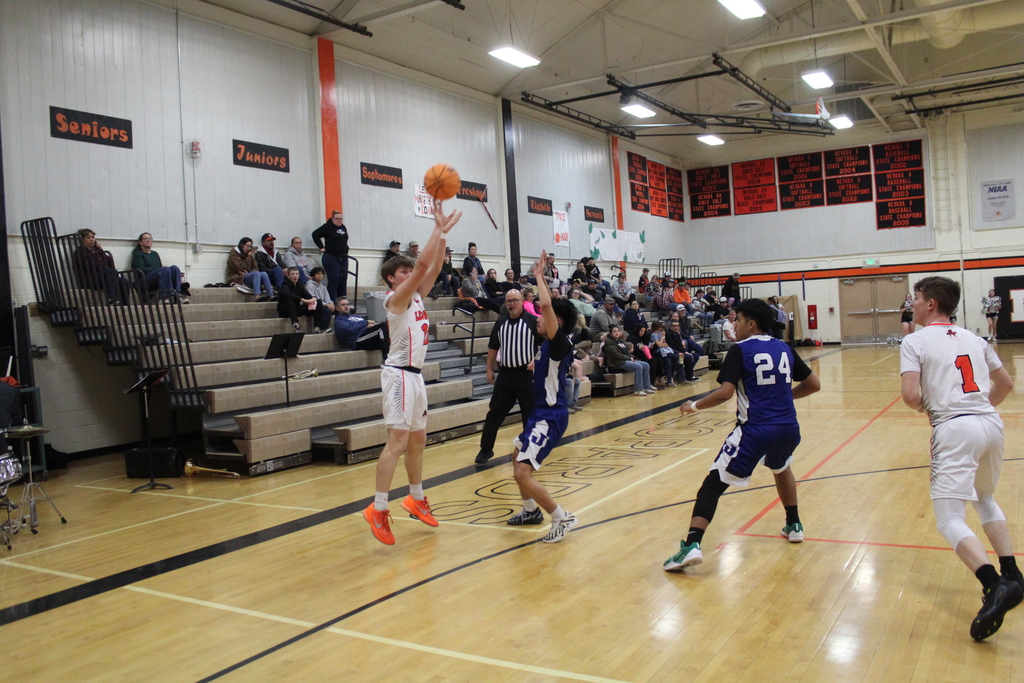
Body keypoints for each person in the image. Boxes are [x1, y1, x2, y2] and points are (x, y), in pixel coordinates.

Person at [899, 276, 1023, 641]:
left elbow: (909, 396)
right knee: (984, 498)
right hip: (990, 423)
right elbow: (1006, 385)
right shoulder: (975, 337)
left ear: (931, 304)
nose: (913, 303)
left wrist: (944, 412)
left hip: (954, 428)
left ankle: (993, 584)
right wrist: (976, 410)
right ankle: (1013, 573)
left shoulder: (914, 340)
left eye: (917, 298)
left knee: (949, 517)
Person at [664, 298, 820, 572]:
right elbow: (813, 384)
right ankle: (794, 524)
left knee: (712, 484)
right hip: (788, 428)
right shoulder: (784, 347)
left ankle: (691, 545)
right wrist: (784, 398)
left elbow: (725, 393)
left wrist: (694, 406)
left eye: (736, 320)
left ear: (751, 324)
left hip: (755, 430)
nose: (732, 324)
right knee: (781, 466)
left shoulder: (739, 350)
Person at [364, 200, 462, 546]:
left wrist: (444, 236)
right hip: (398, 375)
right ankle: (377, 508)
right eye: (402, 271)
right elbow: (422, 266)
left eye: (408, 271)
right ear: (392, 278)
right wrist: (436, 227)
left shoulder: (418, 296)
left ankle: (416, 498)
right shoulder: (396, 300)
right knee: (398, 443)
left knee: (419, 440)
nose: (409, 273)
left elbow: (432, 268)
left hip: (415, 376)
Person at [505, 250, 581, 543]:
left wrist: (538, 274)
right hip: (541, 413)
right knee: (516, 458)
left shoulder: (559, 342)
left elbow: (547, 304)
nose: (537, 317)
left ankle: (562, 517)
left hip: (549, 417)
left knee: (523, 473)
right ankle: (529, 511)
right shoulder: (549, 343)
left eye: (543, 316)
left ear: (556, 322)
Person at [475, 288, 538, 466]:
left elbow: (545, 344)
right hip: (505, 375)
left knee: (529, 415)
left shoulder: (532, 321)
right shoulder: (501, 322)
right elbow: (493, 346)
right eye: (508, 301)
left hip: (525, 375)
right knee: (494, 413)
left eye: (515, 300)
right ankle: (486, 449)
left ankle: (530, 450)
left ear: (522, 301)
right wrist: (488, 367)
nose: (511, 304)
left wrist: (536, 360)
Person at [72, 229, 130, 305]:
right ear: (82, 240)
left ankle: (124, 305)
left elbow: (111, 264)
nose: (92, 239)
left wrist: (101, 251)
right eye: (88, 237)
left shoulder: (98, 251)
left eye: (93, 237)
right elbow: (93, 266)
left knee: (123, 281)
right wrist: (102, 264)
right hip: (89, 280)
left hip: (102, 277)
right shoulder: (80, 251)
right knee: (110, 272)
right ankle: (111, 298)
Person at [131, 232, 188, 302]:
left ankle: (178, 294)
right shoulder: (137, 253)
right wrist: (159, 269)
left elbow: (160, 269)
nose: (148, 240)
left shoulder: (154, 254)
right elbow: (140, 270)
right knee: (165, 269)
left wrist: (161, 269)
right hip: (144, 279)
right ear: (140, 242)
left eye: (150, 239)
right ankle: (163, 297)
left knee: (174, 268)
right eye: (145, 239)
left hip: (156, 276)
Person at [603, 325, 657, 396]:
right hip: (616, 363)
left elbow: (626, 351)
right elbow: (616, 355)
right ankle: (638, 390)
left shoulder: (620, 341)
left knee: (646, 365)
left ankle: (647, 387)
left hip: (624, 360)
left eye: (618, 331)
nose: (616, 333)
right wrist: (629, 358)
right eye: (614, 332)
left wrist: (632, 357)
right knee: (638, 367)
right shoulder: (609, 343)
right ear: (610, 333)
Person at [312, 210, 350, 300]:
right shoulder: (327, 227)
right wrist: (321, 247)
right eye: (337, 219)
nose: (339, 220)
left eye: (341, 219)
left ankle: (343, 300)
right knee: (334, 279)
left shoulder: (343, 227)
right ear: (332, 219)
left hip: (343, 256)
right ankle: (332, 301)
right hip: (331, 256)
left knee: (343, 279)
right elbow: (315, 234)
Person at [227, 237, 273, 302]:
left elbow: (255, 267)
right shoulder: (234, 254)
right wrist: (249, 257)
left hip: (247, 275)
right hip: (238, 277)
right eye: (248, 246)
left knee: (263, 273)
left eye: (250, 246)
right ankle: (257, 296)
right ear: (242, 245)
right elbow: (241, 267)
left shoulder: (249, 254)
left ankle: (270, 295)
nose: (249, 248)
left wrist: (249, 272)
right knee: (256, 274)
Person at [277, 267, 319, 333]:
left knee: (318, 302)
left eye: (297, 274)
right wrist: (302, 299)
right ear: (288, 276)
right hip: (285, 310)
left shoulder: (300, 284)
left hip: (297, 309)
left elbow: (307, 295)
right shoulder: (285, 284)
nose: (295, 276)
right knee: (290, 301)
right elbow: (286, 294)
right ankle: (295, 325)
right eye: (292, 274)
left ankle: (317, 327)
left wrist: (313, 298)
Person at [304, 267, 335, 333]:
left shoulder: (323, 287)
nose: (320, 275)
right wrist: (326, 304)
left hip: (322, 305)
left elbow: (327, 298)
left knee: (337, 309)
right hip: (311, 306)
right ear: (313, 276)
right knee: (326, 310)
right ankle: (323, 328)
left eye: (321, 274)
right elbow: (312, 299)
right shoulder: (309, 285)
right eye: (318, 274)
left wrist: (331, 303)